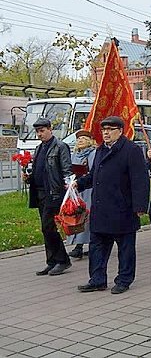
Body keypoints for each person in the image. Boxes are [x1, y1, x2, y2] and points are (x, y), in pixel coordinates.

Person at [76, 116, 150, 294]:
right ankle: (97, 280)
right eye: (103, 130)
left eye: (110, 129)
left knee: (125, 248)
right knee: (97, 247)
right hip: (101, 209)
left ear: (120, 131)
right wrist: (78, 183)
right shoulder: (101, 150)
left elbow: (140, 181)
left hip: (122, 209)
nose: (106, 133)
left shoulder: (131, 150)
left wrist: (140, 207)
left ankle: (124, 280)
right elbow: (94, 175)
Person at [27, 117, 73, 276]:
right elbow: (39, 169)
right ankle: (52, 260)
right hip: (40, 193)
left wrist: (68, 190)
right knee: (47, 229)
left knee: (48, 227)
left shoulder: (60, 147)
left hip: (54, 194)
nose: (40, 134)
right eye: (38, 131)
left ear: (50, 129)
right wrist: (29, 177)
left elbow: (67, 170)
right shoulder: (39, 148)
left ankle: (62, 260)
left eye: (42, 131)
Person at [67, 129, 97, 259]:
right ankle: (78, 244)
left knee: (87, 216)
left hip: (88, 189)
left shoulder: (93, 154)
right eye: (78, 139)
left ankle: (85, 245)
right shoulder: (75, 154)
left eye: (83, 139)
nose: (80, 141)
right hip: (76, 188)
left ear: (89, 141)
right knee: (76, 214)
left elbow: (93, 172)